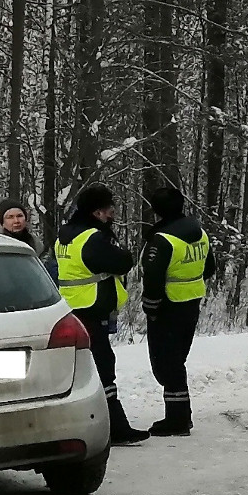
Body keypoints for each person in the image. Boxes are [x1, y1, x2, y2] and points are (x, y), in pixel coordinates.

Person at [53, 184, 151, 445]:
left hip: (71, 310)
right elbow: (122, 261)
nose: (113, 213)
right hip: (88, 311)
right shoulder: (93, 238)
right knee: (104, 369)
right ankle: (116, 428)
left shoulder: (66, 234)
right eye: (109, 209)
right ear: (97, 212)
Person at [141, 183, 212, 437]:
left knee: (166, 364)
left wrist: (150, 306)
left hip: (168, 307)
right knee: (176, 360)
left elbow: (153, 278)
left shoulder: (162, 240)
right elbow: (210, 267)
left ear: (156, 211)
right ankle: (180, 416)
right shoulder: (199, 232)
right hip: (191, 302)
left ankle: (178, 419)